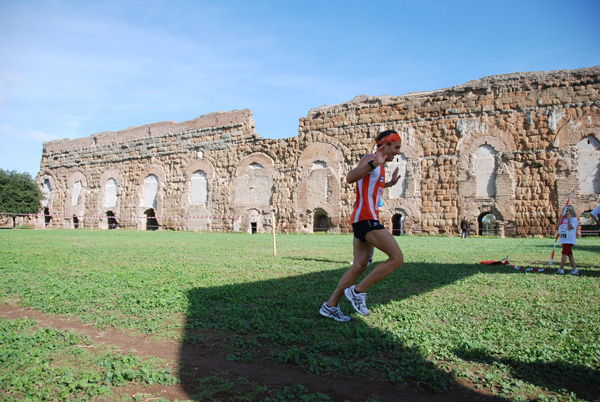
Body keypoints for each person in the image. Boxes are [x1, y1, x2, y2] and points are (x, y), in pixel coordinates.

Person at [319, 130, 404, 322]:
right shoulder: (371, 159)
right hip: (366, 219)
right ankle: (358, 291)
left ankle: (330, 305)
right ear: (385, 145)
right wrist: (374, 163)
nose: (398, 152)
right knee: (397, 259)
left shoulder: (380, 166)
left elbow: (372, 187)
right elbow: (350, 178)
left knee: (359, 266)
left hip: (364, 219)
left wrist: (390, 183)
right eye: (396, 147)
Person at [556, 205, 579, 275]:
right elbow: (558, 226)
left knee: (564, 254)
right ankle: (575, 269)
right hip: (564, 239)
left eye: (567, 211)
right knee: (570, 255)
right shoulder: (564, 219)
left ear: (571, 211)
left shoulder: (574, 219)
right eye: (565, 211)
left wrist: (569, 218)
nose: (566, 213)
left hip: (569, 240)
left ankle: (561, 268)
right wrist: (561, 216)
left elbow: (569, 227)